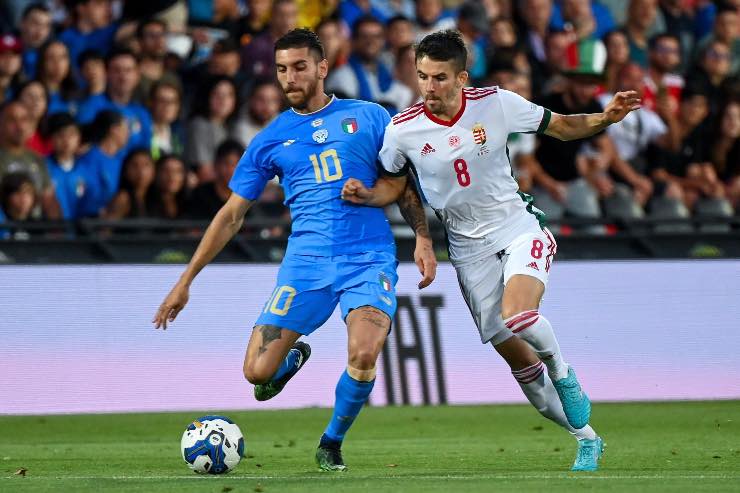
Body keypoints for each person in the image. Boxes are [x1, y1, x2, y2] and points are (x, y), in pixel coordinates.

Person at [341, 30, 641, 472]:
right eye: (423, 76)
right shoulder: (402, 129)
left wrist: (605, 118)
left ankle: (562, 370)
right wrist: (369, 196)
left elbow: (560, 125)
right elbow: (395, 181)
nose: (429, 87)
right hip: (466, 249)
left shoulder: (496, 103)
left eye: (440, 78)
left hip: (517, 228)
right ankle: (587, 438)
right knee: (519, 362)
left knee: (520, 315)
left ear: (461, 77)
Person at [152, 28, 436, 472]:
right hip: (305, 265)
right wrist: (185, 281)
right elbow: (230, 215)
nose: (290, 77)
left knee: (364, 352)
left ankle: (331, 442)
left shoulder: (370, 117)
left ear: (322, 67)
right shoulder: (269, 139)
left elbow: (401, 183)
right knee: (257, 374)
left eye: (300, 67)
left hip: (367, 259)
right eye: (282, 69)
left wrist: (421, 236)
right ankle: (290, 359)